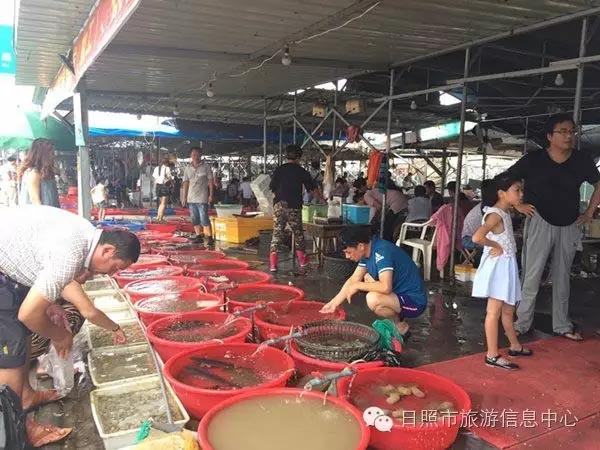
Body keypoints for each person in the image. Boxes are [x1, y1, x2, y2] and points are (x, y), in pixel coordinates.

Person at [0, 205, 139, 447]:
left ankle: (26, 397)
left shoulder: (85, 234)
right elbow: (28, 314)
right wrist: (60, 336)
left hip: (11, 271)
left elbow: (38, 268)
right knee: (10, 353)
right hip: (4, 276)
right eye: (116, 267)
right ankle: (17, 430)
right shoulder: (71, 256)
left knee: (22, 336)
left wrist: (51, 305)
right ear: (108, 250)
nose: (111, 274)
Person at [507, 113, 600, 341]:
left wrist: (589, 213)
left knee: (562, 276)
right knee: (532, 273)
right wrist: (518, 204)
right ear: (550, 136)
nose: (569, 136)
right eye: (563, 132)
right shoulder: (534, 159)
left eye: (572, 132)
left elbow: (599, 184)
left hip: (570, 222)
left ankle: (562, 324)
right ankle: (522, 322)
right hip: (539, 218)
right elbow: (508, 178)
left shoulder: (581, 160)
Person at [472, 173, 533, 370]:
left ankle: (514, 345)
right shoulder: (495, 214)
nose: (521, 194)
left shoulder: (503, 211)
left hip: (506, 265)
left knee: (508, 309)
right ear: (501, 193)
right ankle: (491, 354)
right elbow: (477, 237)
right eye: (517, 190)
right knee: (494, 311)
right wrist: (495, 245)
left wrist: (517, 206)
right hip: (499, 266)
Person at [320, 227, 427, 338]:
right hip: (398, 295)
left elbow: (385, 287)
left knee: (373, 299)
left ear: (360, 246)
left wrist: (358, 285)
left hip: (414, 301)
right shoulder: (367, 251)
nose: (347, 256)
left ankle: (400, 327)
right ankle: (397, 322)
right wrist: (333, 303)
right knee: (368, 280)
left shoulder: (382, 252)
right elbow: (353, 279)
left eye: (349, 252)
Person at [269, 145, 321, 272]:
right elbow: (312, 189)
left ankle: (273, 265)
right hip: (294, 206)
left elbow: (272, 188)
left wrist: (279, 201)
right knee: (298, 234)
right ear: (298, 157)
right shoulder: (301, 171)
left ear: (286, 156)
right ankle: (302, 261)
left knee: (277, 234)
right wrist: (322, 200)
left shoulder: (279, 170)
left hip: (279, 205)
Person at [182, 147, 215, 246]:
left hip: (202, 197)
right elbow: (186, 183)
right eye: (193, 155)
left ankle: (210, 237)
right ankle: (198, 236)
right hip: (191, 197)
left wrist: (211, 195)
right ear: (190, 156)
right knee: (194, 218)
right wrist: (184, 197)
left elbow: (210, 181)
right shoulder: (187, 168)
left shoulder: (206, 167)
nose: (195, 157)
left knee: (204, 218)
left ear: (201, 155)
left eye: (197, 154)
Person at [18, 138, 60, 208]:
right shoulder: (33, 173)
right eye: (51, 153)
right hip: (39, 213)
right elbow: (35, 199)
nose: (53, 155)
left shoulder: (43, 172)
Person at [461, 180, 494, 251]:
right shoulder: (485, 208)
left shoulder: (486, 206)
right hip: (468, 239)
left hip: (472, 237)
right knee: (495, 245)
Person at [152, 157, 173, 222]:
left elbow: (154, 179)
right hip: (164, 187)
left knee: (161, 203)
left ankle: (158, 217)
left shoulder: (156, 168)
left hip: (158, 186)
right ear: (167, 163)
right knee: (163, 204)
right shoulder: (167, 168)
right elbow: (169, 178)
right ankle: (160, 219)